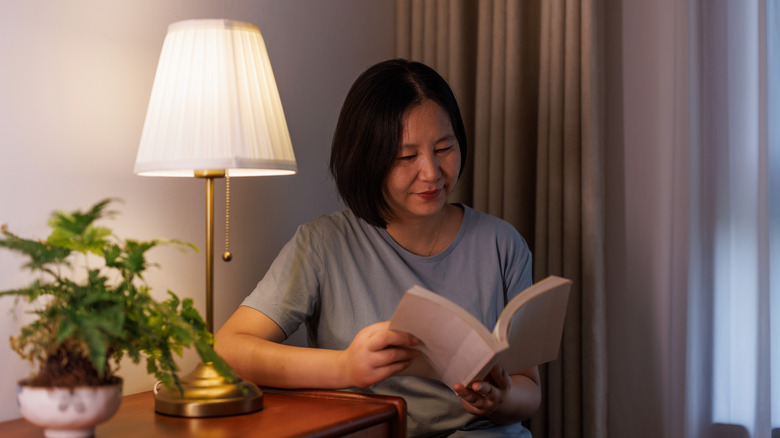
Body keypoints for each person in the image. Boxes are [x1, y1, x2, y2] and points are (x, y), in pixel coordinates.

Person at [215, 59, 540, 437]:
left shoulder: (502, 242)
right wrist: (346, 368)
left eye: (443, 148)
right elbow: (228, 350)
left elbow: (529, 389)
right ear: (367, 158)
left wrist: (500, 399)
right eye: (406, 157)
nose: (432, 172)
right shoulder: (324, 244)